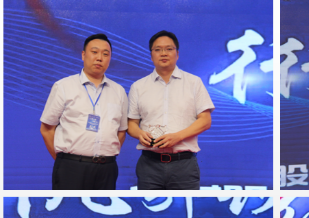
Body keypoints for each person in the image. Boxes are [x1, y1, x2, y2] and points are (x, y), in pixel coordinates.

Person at [127, 30, 215, 190]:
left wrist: (178, 137)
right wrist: (139, 134)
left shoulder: (194, 82)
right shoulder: (138, 87)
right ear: (151, 55)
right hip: (149, 164)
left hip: (184, 164)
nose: (163, 53)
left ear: (177, 54)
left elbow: (205, 120)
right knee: (148, 205)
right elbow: (131, 123)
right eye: (158, 49)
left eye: (169, 49)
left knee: (186, 205)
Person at [40, 33, 128, 190]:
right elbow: (46, 129)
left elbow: (121, 131)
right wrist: (63, 160)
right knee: (69, 206)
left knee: (103, 207)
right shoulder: (63, 86)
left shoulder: (119, 91)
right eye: (94, 52)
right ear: (83, 55)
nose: (99, 58)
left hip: (106, 168)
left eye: (105, 54)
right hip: (71, 167)